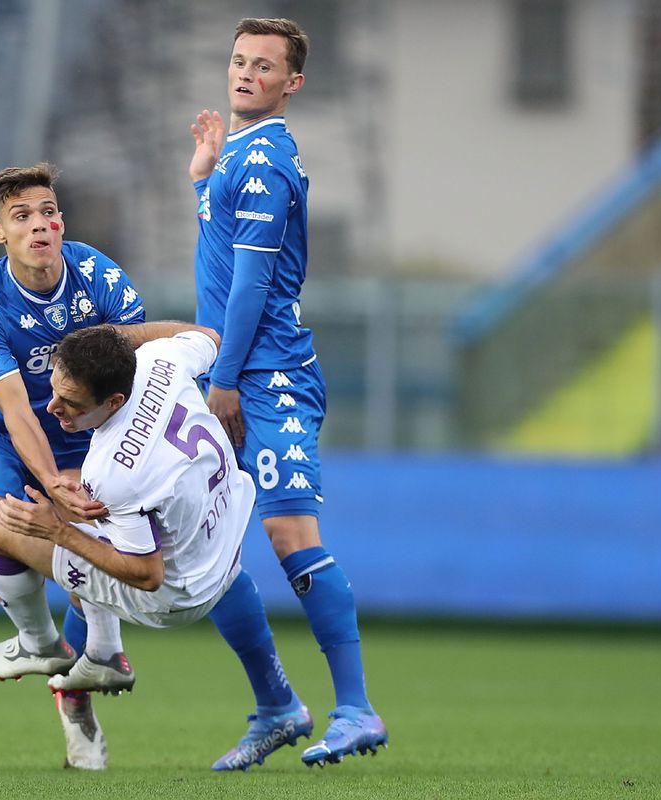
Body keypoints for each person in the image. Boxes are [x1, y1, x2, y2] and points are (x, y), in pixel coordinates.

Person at [0, 163, 158, 775]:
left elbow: (137, 366)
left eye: (47, 212)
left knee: (91, 553)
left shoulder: (98, 274)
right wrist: (51, 483)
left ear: (61, 222)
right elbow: (17, 410)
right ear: (0, 233)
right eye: (21, 217)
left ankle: (74, 695)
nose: (38, 225)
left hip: (85, 428)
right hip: (0, 431)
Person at [0, 324, 317, 770]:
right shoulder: (163, 360)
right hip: (224, 533)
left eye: (72, 403)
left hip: (169, 597)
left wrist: (57, 533)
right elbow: (210, 336)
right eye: (55, 391)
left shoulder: (113, 469)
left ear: (114, 402)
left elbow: (145, 573)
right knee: (81, 504)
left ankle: (44, 644)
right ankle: (278, 703)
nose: (53, 406)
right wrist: (110, 339)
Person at [187, 18, 388, 767]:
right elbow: (221, 255)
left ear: (290, 84)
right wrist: (204, 176)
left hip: (265, 377)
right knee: (204, 547)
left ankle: (357, 708)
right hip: (231, 373)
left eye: (263, 66)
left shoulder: (269, 160)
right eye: (238, 60)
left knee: (289, 537)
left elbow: (252, 283)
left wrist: (228, 379)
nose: (245, 74)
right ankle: (275, 705)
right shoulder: (236, 155)